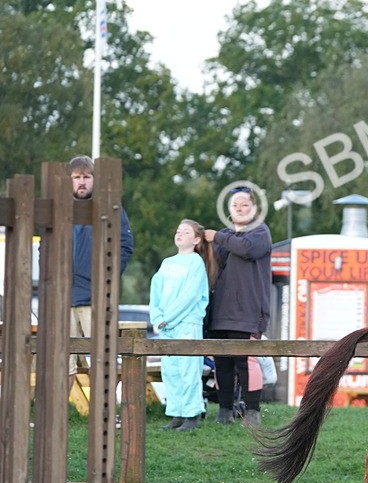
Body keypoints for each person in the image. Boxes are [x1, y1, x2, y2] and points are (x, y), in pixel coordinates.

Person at [204, 188, 272, 428]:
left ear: (254, 208)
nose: (240, 209)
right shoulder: (223, 235)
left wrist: (217, 237)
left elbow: (247, 249)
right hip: (220, 311)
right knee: (222, 362)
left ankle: (252, 412)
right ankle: (225, 411)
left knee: (246, 361)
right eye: (235, 205)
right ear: (229, 210)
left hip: (249, 311)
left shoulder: (260, 232)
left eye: (245, 204)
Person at [70, 156, 134, 371]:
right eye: (76, 177)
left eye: (86, 177)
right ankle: (62, 398)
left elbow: (125, 245)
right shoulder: (60, 207)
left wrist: (107, 278)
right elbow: (45, 247)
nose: (81, 182)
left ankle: (100, 398)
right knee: (62, 364)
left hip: (95, 298)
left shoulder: (108, 207)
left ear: (94, 179)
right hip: (63, 299)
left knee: (104, 362)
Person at [150, 220, 216, 431]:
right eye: (178, 231)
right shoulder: (167, 263)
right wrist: (157, 317)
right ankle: (176, 413)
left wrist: (168, 317)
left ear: (196, 240)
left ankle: (192, 414)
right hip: (166, 326)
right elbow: (155, 292)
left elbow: (190, 295)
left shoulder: (196, 263)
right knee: (171, 371)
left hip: (187, 323)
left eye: (186, 232)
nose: (179, 234)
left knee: (188, 369)